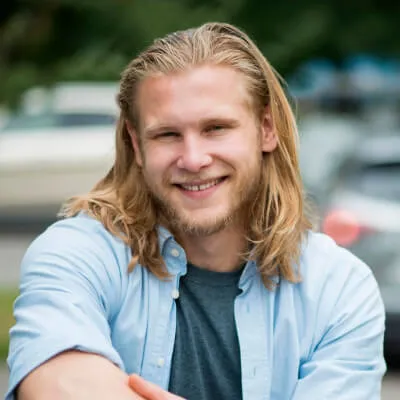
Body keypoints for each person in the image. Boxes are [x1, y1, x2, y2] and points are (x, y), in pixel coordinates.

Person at [6, 22, 385, 400]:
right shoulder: (78, 254)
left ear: (266, 129)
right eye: (167, 134)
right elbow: (56, 384)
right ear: (137, 145)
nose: (193, 158)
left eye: (216, 128)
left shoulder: (338, 289)